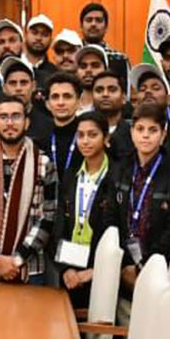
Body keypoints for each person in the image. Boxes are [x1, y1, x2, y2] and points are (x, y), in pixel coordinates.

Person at [0, 96, 58, 284]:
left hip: (31, 267)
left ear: (27, 122)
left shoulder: (44, 163)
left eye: (16, 116)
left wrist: (18, 259)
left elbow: (47, 217)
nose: (10, 123)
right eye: (4, 117)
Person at [51, 110, 133, 307]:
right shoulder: (72, 175)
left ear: (106, 138)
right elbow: (60, 224)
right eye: (80, 135)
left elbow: (125, 229)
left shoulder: (120, 176)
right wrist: (65, 269)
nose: (85, 141)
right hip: (71, 267)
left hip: (105, 269)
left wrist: (98, 270)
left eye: (92, 135)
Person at [116, 102, 170, 269]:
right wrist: (124, 263)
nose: (145, 136)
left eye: (153, 130)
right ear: (132, 132)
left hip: (160, 264)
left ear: (163, 135)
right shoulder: (121, 168)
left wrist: (146, 263)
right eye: (140, 129)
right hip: (122, 262)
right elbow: (111, 217)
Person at [41, 72, 83, 177]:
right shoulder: (40, 138)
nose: (61, 103)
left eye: (67, 96)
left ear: (78, 102)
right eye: (55, 97)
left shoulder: (87, 136)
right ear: (47, 104)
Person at [78, 1, 129, 86]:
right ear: (81, 26)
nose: (93, 24)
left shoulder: (119, 59)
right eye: (89, 20)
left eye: (98, 20)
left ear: (106, 27)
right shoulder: (72, 57)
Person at [92, 70, 134, 162]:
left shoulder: (134, 133)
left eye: (112, 90)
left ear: (123, 98)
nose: (105, 94)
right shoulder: (81, 131)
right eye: (99, 90)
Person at [0, 19, 25, 101]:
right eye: (1, 42)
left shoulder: (39, 78)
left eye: (12, 40)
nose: (6, 46)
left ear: (22, 45)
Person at [25, 13, 57, 87]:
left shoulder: (54, 72)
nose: (39, 38)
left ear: (51, 40)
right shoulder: (13, 65)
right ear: (26, 35)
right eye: (34, 33)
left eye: (45, 34)